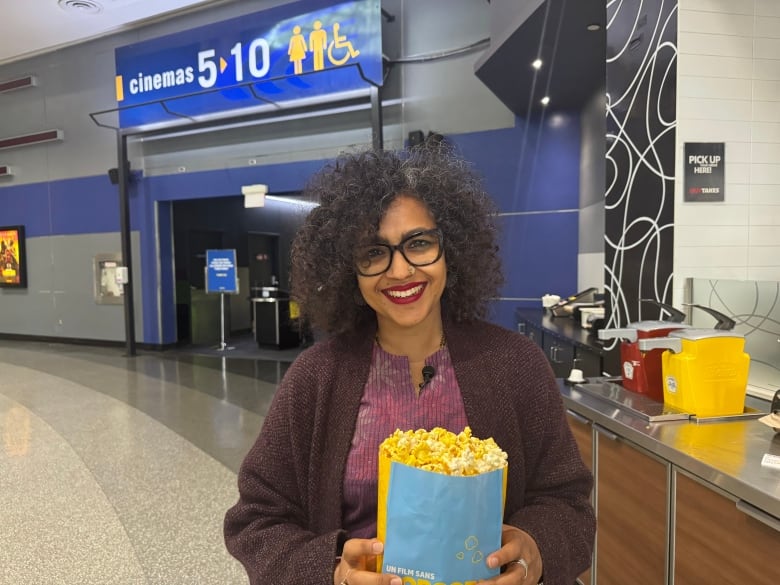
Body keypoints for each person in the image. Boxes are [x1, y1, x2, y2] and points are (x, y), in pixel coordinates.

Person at [224, 142, 596, 585]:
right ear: (348, 269)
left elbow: (568, 503)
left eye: (419, 244)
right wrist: (332, 572)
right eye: (373, 253)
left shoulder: (514, 365)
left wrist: (534, 551)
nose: (400, 272)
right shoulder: (317, 377)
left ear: (451, 249)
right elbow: (256, 521)